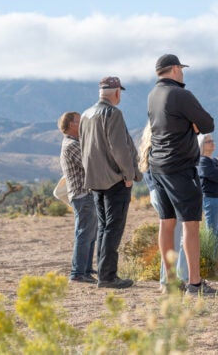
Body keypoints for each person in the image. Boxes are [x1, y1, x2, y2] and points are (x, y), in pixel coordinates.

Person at [147, 54, 218, 296]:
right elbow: (208, 124)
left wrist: (191, 124)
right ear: (176, 69)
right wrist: (193, 125)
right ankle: (195, 284)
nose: (183, 73)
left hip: (157, 166)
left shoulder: (153, 95)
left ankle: (169, 282)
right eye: (181, 69)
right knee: (191, 224)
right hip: (180, 166)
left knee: (166, 222)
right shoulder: (180, 94)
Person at [79, 76, 142, 289]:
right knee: (113, 228)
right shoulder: (113, 113)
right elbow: (119, 148)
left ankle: (104, 274)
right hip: (115, 180)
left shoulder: (86, 115)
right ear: (116, 93)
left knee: (104, 227)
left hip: (95, 180)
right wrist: (128, 174)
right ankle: (108, 276)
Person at [139, 122, 188, 292]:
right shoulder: (160, 148)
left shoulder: (148, 148)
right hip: (164, 192)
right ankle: (168, 280)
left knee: (171, 236)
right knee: (174, 237)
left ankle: (167, 279)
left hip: (155, 192)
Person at [58, 111, 97, 284]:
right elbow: (89, 163)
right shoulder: (71, 145)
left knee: (89, 233)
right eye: (79, 121)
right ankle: (78, 272)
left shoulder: (74, 143)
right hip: (83, 194)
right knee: (84, 234)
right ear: (71, 125)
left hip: (85, 194)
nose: (82, 123)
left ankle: (85, 269)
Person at [198, 133, 218, 258]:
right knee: (212, 232)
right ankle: (211, 260)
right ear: (202, 145)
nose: (212, 143)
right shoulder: (202, 161)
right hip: (211, 199)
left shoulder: (213, 160)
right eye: (208, 141)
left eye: (212, 140)